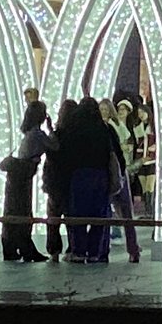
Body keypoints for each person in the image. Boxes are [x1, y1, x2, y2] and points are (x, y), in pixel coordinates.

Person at [60, 97, 117, 263]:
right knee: (99, 217)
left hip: (79, 177)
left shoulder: (74, 130)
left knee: (78, 215)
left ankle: (78, 251)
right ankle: (94, 252)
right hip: (100, 177)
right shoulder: (102, 129)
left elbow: (67, 155)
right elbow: (111, 153)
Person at [0, 100, 49, 262]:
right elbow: (54, 146)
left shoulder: (27, 134)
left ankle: (11, 248)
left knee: (13, 211)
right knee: (23, 212)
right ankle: (26, 248)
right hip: (23, 176)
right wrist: (52, 128)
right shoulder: (38, 135)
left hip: (15, 176)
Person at [98, 99, 140, 262]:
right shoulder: (103, 128)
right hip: (111, 175)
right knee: (109, 214)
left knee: (125, 213)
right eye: (100, 109)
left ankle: (132, 248)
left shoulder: (112, 127)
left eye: (105, 109)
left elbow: (122, 147)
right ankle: (106, 250)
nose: (103, 112)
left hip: (117, 175)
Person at [42, 98, 77, 261]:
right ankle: (73, 248)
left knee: (53, 218)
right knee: (72, 218)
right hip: (72, 181)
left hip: (55, 182)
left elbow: (51, 154)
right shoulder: (77, 137)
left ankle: (54, 251)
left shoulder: (57, 135)